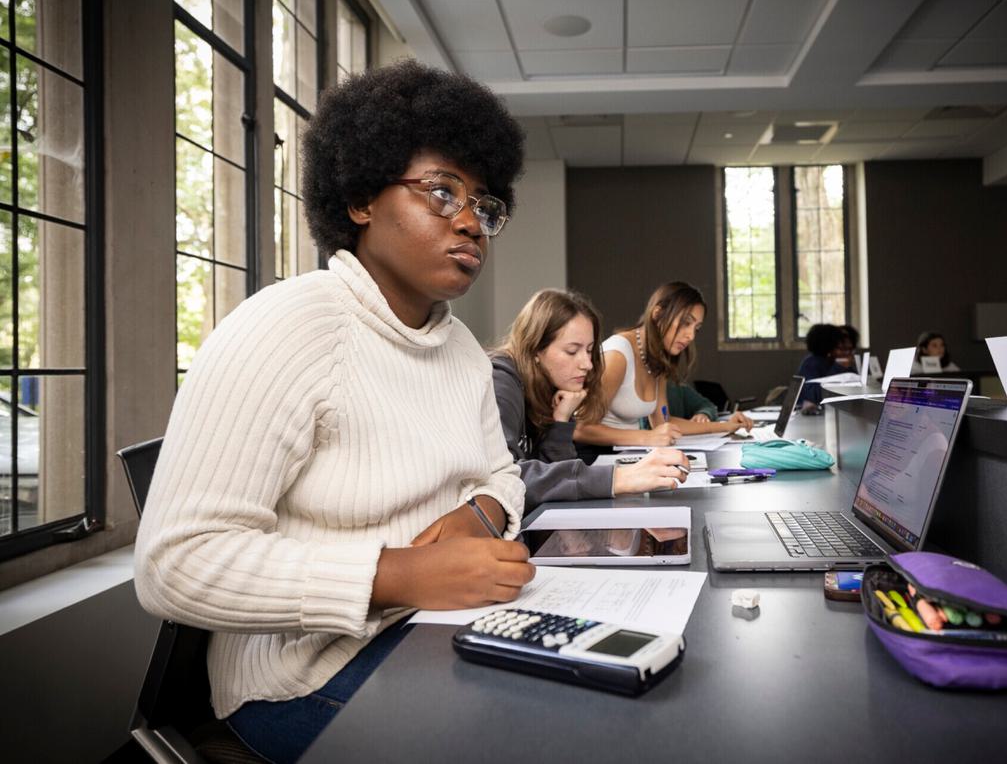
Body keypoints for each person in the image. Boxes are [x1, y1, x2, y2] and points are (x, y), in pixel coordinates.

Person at [134, 61, 537, 764]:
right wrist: (401, 574)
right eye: (442, 192)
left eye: (485, 204)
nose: (472, 222)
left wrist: (483, 513)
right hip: (303, 677)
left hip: (435, 630)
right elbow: (175, 564)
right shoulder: (288, 327)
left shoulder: (464, 351)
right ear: (359, 198)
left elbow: (506, 473)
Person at [490, 288, 689, 511]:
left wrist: (561, 421)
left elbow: (556, 479)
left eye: (589, 350)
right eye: (572, 351)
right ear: (535, 348)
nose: (587, 364)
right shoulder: (500, 383)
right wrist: (617, 479)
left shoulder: (549, 385)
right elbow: (505, 481)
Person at [574, 282, 753, 448]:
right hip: (595, 458)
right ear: (657, 314)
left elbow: (663, 422)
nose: (691, 336)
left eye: (696, 328)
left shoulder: (657, 359)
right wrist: (648, 437)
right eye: (685, 323)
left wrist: (724, 426)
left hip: (625, 454)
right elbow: (580, 429)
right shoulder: (618, 354)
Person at [797, 323, 844, 407]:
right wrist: (838, 367)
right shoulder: (811, 364)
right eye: (837, 346)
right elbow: (813, 395)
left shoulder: (828, 361)